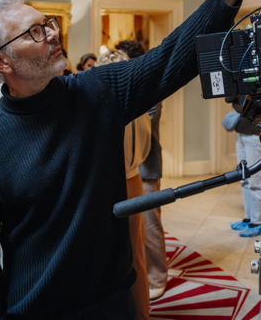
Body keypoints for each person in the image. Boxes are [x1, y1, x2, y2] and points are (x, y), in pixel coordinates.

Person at [0, 0, 261, 319]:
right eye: (35, 32)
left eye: (47, 23)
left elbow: (171, 57)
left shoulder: (97, 92)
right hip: (36, 309)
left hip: (111, 303)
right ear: (1, 61)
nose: (52, 33)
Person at [97, 50, 152, 319]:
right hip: (134, 180)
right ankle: (142, 313)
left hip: (110, 184)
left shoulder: (104, 110)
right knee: (136, 253)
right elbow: (145, 148)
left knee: (108, 254)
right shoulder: (139, 108)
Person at [115, 40, 168, 301]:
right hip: (125, 168)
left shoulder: (149, 92)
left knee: (150, 224)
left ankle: (157, 276)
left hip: (146, 166)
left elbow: (144, 122)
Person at [222, 112, 261, 237]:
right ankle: (249, 219)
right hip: (242, 134)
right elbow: (235, 103)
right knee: (244, 180)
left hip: (256, 136)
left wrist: (242, 106)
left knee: (255, 181)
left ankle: (258, 223)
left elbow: (251, 107)